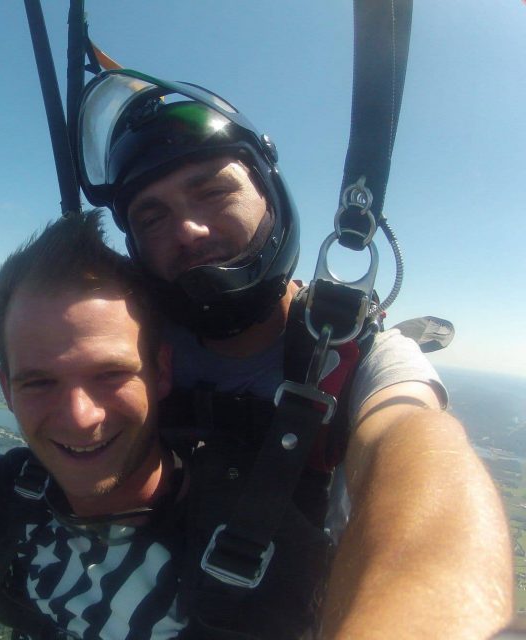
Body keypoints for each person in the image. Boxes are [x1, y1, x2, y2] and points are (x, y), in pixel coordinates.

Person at [73, 70, 513, 638]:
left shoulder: (359, 359)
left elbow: (417, 452)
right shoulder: (133, 346)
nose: (186, 228)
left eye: (212, 190)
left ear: (271, 198)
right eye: (151, 217)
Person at [0, 211, 332, 639]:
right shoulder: (21, 486)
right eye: (39, 382)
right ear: (7, 390)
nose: (80, 417)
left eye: (110, 375)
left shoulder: (260, 545)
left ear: (160, 372)